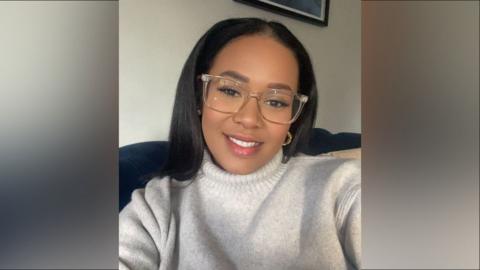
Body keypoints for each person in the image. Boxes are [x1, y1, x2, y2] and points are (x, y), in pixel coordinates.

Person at [119, 17, 360, 270]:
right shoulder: (155, 208)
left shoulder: (343, 187)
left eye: (276, 101)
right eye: (230, 91)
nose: (249, 118)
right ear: (199, 95)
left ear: (294, 117)